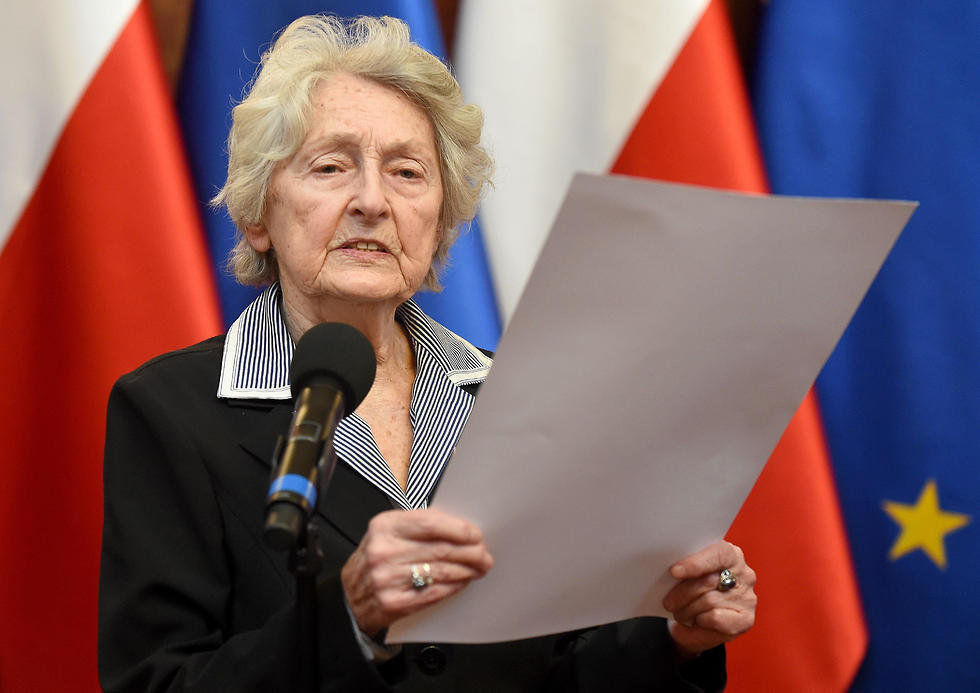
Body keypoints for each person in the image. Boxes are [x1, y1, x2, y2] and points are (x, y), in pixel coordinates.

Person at [98, 14, 757, 692]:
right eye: (331, 167)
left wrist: (675, 641)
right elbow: (156, 682)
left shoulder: (522, 399)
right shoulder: (170, 412)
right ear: (256, 214)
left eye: (407, 172)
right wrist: (349, 621)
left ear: (440, 220)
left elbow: (571, 669)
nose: (372, 201)